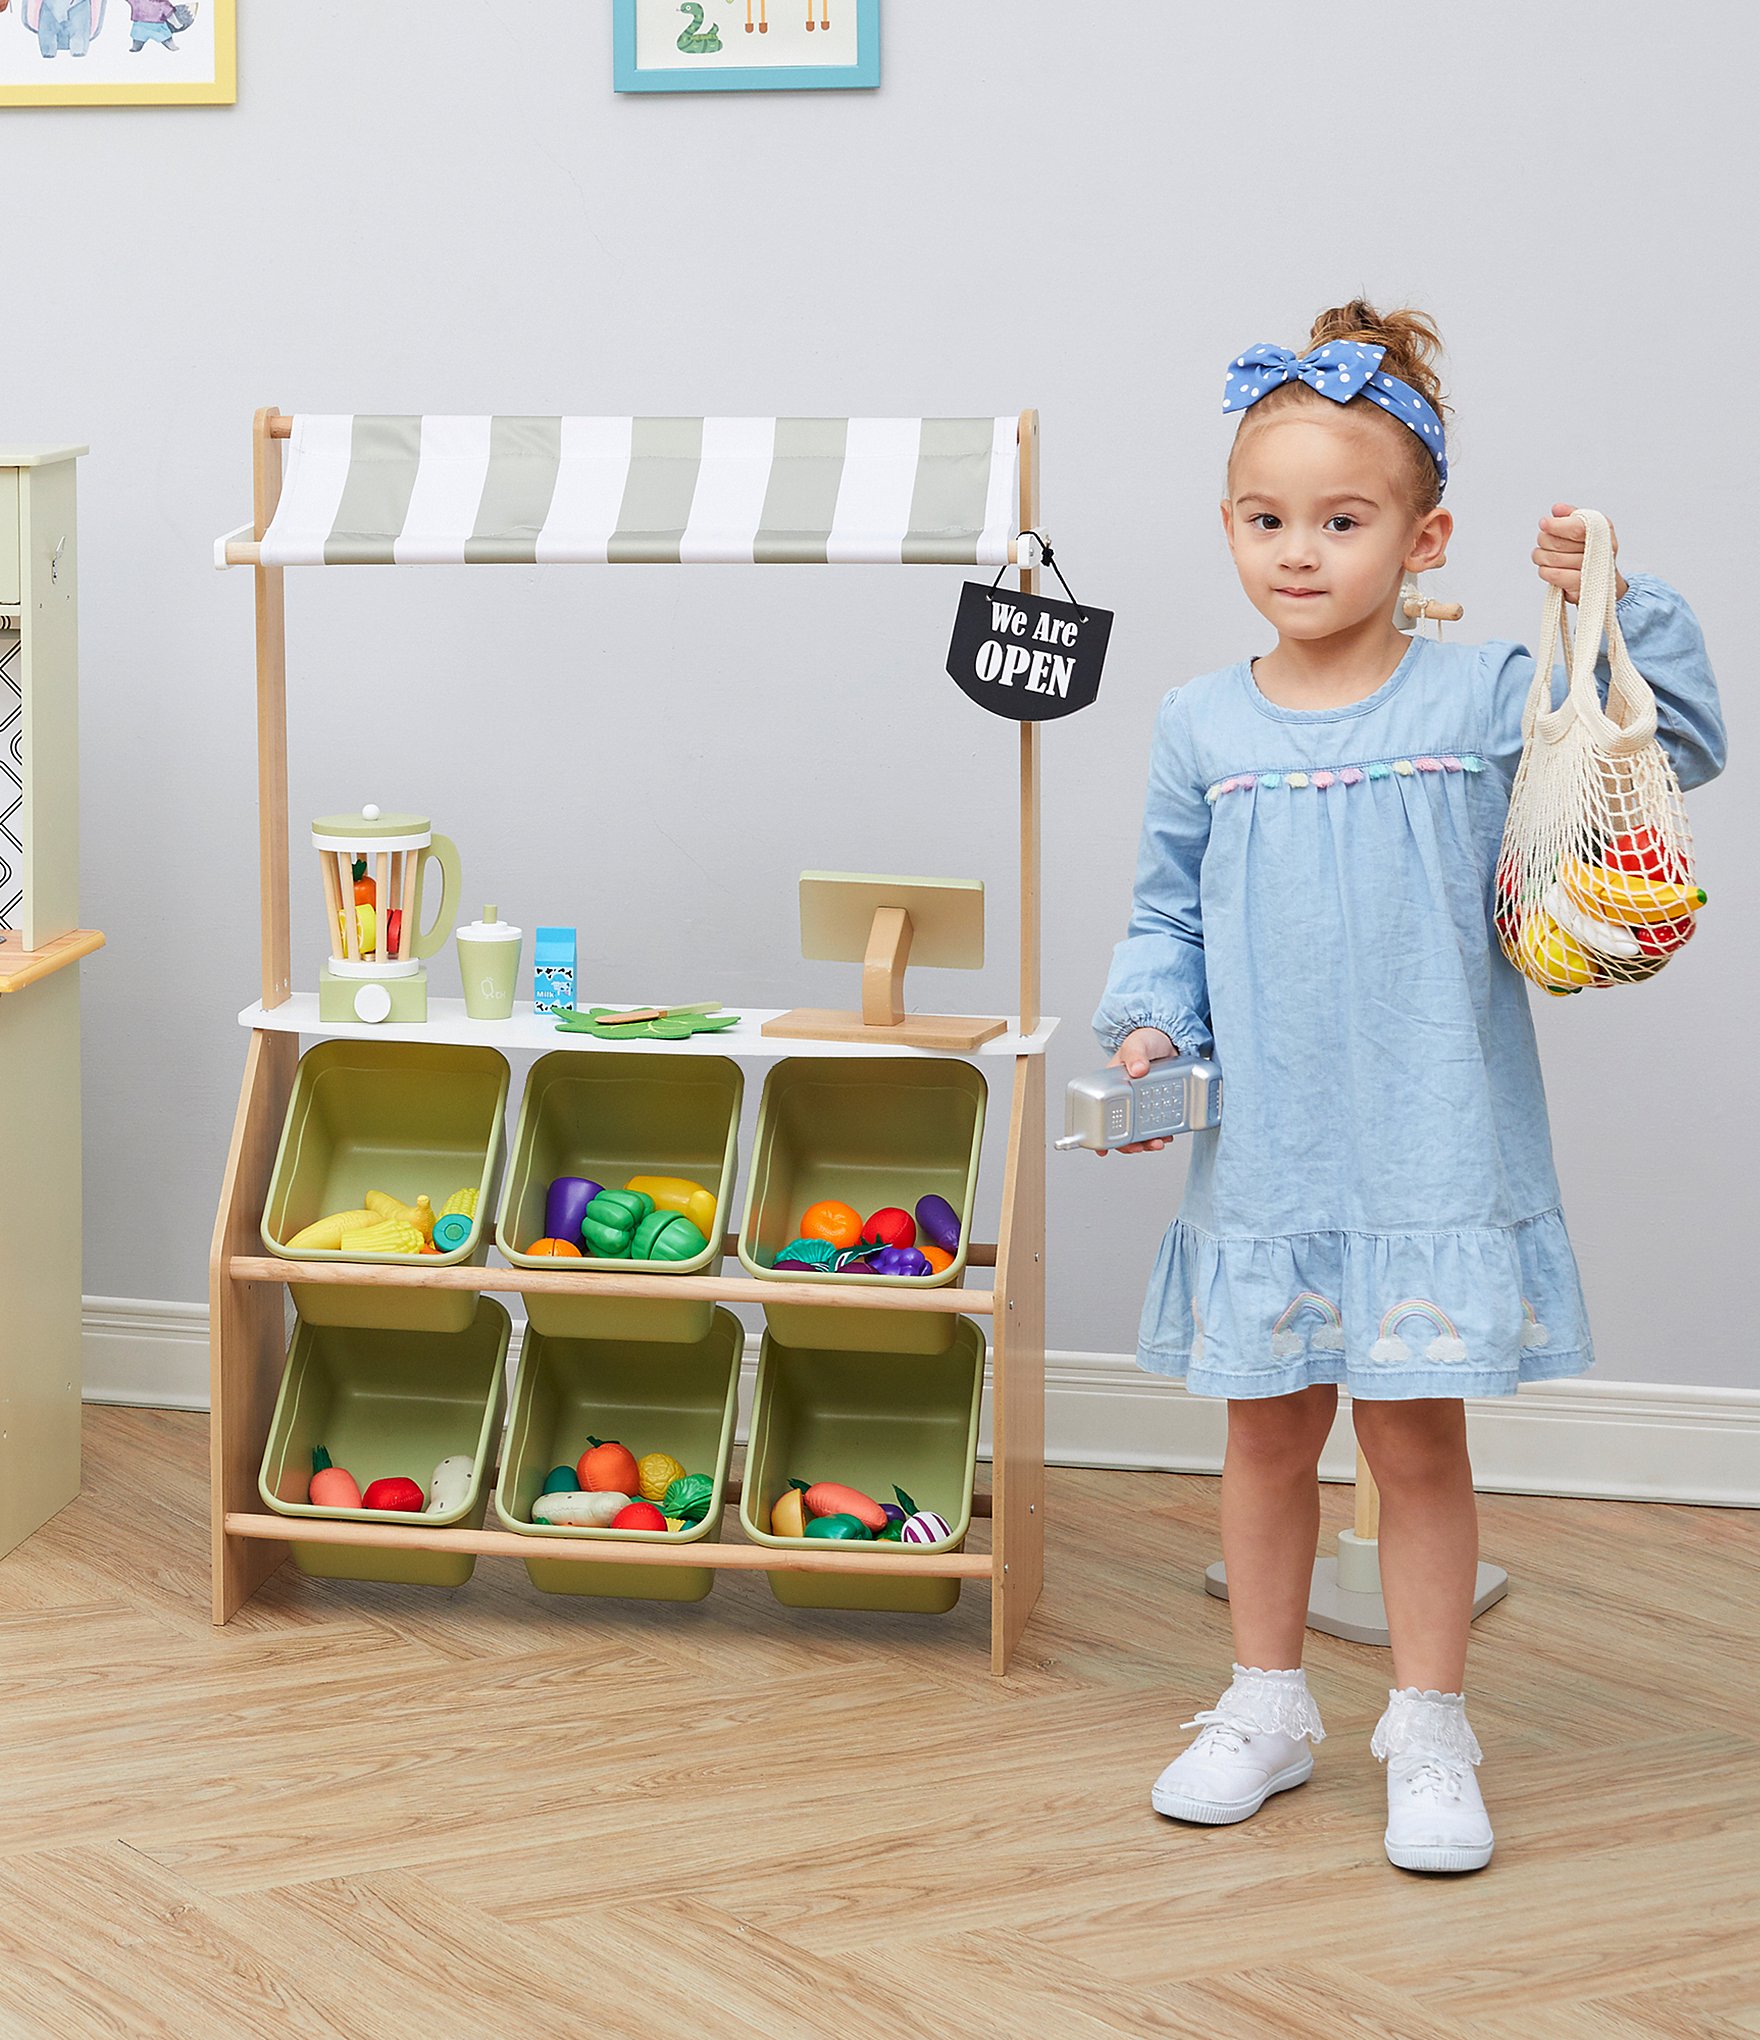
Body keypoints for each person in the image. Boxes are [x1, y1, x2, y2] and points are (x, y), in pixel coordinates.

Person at [1091, 300, 1725, 1873]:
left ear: (1424, 537)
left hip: (1430, 1149)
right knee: (1259, 1435)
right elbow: (1166, 910)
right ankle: (1267, 1703)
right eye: (1265, 519)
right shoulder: (1199, 724)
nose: (1297, 552)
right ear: (1229, 527)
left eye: (1341, 520)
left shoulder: (1484, 693)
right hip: (1273, 1157)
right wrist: (1152, 1021)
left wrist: (1611, 606)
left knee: (1417, 1445)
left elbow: (1680, 742)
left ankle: (1429, 1726)